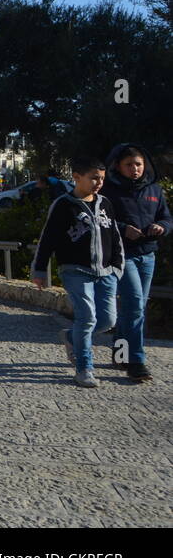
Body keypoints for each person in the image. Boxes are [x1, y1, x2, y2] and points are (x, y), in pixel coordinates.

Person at [31, 155, 124, 389]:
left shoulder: (106, 203)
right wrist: (39, 269)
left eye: (102, 178)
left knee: (107, 320)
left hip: (106, 271)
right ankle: (84, 368)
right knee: (87, 317)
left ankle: (71, 337)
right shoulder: (63, 205)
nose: (99, 182)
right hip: (75, 270)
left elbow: (114, 236)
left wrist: (117, 266)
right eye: (94, 178)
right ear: (76, 178)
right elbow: (48, 238)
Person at [101, 143, 171, 382]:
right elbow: (100, 221)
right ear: (118, 166)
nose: (135, 169)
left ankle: (120, 352)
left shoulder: (154, 190)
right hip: (123, 256)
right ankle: (136, 362)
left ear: (145, 165)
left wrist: (162, 227)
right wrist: (122, 229)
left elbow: (166, 217)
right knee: (134, 307)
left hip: (148, 254)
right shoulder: (108, 191)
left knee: (134, 308)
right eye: (129, 164)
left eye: (138, 164)